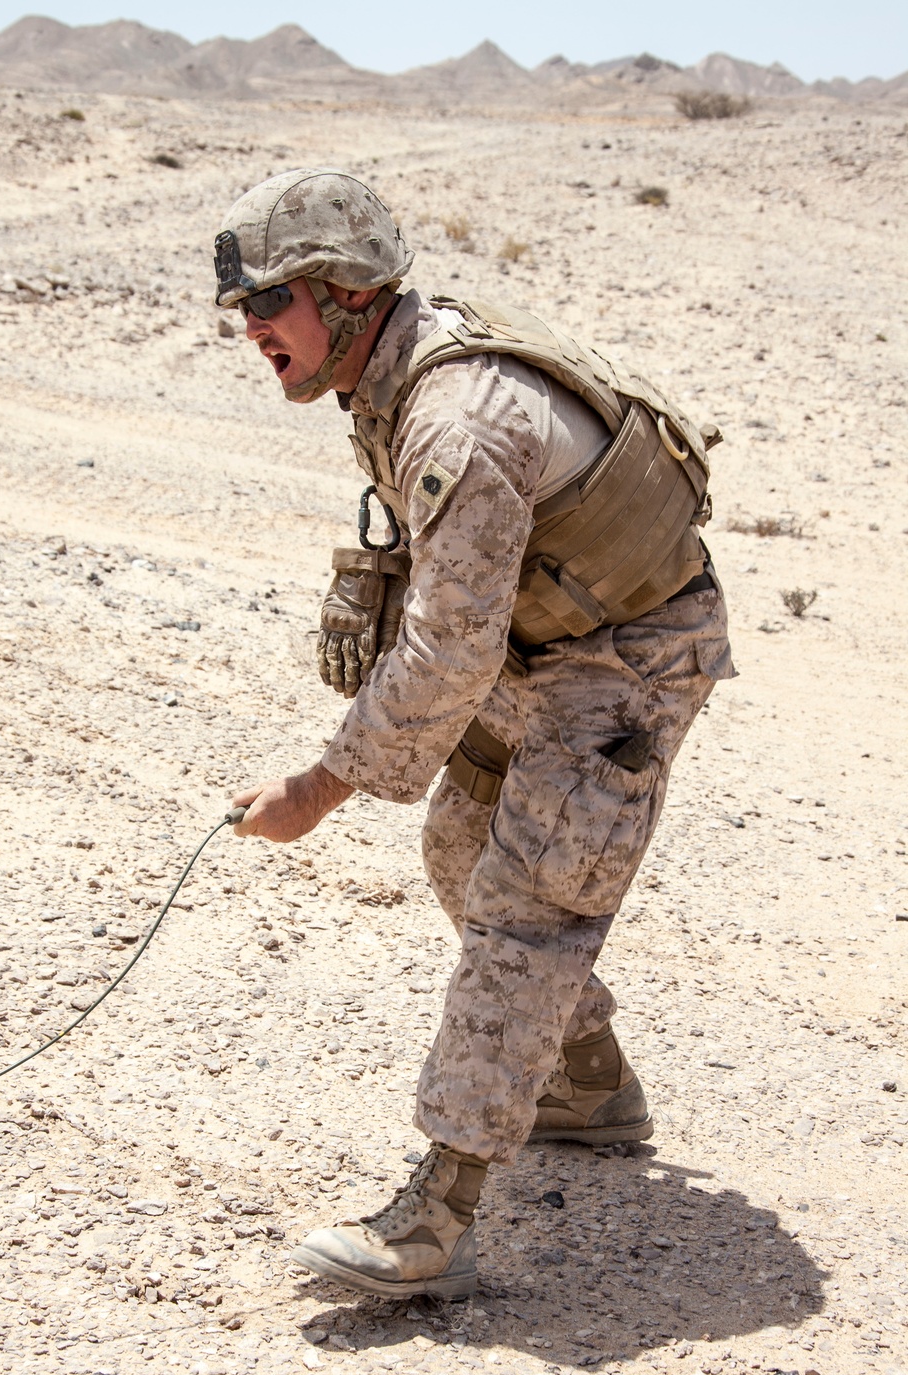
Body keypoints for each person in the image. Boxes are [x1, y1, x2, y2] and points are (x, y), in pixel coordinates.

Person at [216, 168, 735, 1300]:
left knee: (528, 908)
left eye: (269, 304)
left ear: (345, 294)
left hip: (629, 660)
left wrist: (320, 785)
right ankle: (586, 1085)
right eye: (244, 310)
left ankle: (435, 1215)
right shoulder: (392, 375)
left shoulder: (457, 415)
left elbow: (448, 653)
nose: (249, 329)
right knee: (460, 841)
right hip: (544, 646)